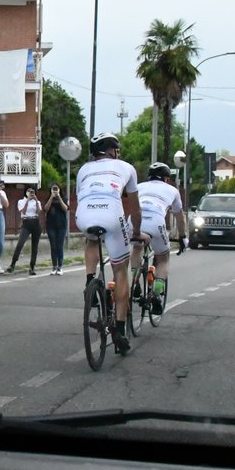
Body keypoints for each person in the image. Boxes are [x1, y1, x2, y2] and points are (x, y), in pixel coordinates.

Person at [75, 132, 142, 354]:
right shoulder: (126, 167)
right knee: (121, 270)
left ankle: (89, 280)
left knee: (91, 239)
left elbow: (80, 195)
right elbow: (134, 206)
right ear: (112, 151)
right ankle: (120, 330)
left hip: (84, 215)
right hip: (112, 215)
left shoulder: (83, 169)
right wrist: (137, 231)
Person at [135, 162, 185, 314]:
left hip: (138, 219)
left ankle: (134, 280)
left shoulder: (139, 186)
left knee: (137, 247)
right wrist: (182, 237)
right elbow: (180, 217)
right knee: (163, 257)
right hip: (156, 221)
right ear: (166, 179)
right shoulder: (172, 190)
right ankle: (157, 292)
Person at [6, 187, 44, 274]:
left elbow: (38, 212)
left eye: (32, 191)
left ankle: (32, 267)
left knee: (35, 247)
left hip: (35, 222)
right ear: (25, 192)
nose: (31, 193)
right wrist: (27, 201)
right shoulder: (21, 201)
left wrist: (36, 200)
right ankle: (12, 264)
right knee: (20, 243)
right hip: (26, 222)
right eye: (29, 191)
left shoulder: (37, 202)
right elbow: (23, 211)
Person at [44, 183, 70, 275]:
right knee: (53, 246)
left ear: (59, 190)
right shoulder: (49, 198)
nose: (55, 191)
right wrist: (51, 197)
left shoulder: (64, 198)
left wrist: (59, 197)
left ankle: (60, 267)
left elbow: (66, 208)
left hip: (61, 226)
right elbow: (45, 209)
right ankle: (54, 266)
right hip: (51, 226)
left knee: (59, 246)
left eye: (56, 189)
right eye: (53, 189)